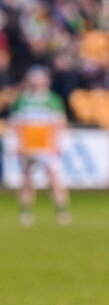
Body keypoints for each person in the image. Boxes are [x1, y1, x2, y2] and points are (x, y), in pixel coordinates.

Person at [10, 66, 71, 225]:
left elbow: (59, 123)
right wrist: (17, 143)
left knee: (54, 179)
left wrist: (57, 144)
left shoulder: (52, 100)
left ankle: (62, 211)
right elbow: (16, 124)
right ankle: (25, 212)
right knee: (26, 179)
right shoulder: (22, 100)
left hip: (47, 146)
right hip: (27, 146)